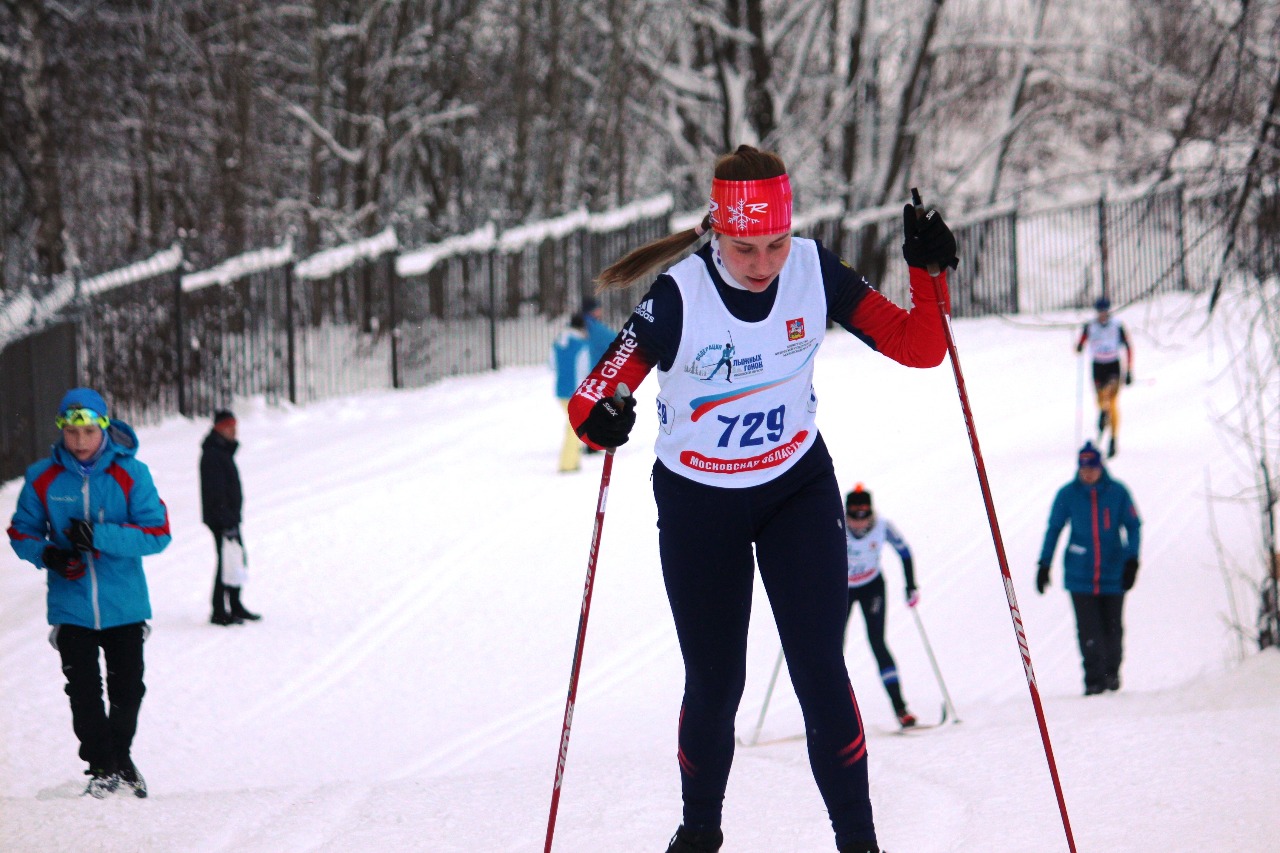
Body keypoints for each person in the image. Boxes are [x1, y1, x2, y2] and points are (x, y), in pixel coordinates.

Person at [567, 145, 958, 853]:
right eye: (744, 247)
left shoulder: (813, 269)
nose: (763, 262)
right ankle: (699, 830)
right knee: (718, 686)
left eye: (775, 241)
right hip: (699, 502)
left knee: (820, 668)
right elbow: (593, 394)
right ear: (718, 231)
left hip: (795, 489)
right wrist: (602, 416)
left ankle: (859, 842)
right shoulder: (679, 294)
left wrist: (929, 272)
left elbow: (921, 345)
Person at [7, 387, 171, 798]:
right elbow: (20, 533)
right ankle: (101, 766)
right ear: (61, 429)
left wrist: (99, 536)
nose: (80, 441)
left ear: (104, 427)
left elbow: (157, 534)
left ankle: (120, 756)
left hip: (125, 603)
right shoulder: (42, 477)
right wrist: (49, 555)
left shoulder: (133, 474)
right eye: (71, 431)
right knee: (82, 692)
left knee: (127, 688)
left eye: (88, 431)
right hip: (71, 604)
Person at [1036, 441, 1142, 695]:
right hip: (1079, 574)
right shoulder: (1068, 494)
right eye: (1084, 469)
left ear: (1100, 467)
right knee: (1089, 631)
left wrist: (1132, 560)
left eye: (1092, 468)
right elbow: (1054, 528)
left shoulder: (1117, 492)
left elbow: (1133, 525)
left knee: (1112, 630)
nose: (1088, 474)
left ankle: (1112, 677)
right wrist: (1044, 563)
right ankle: (1093, 681)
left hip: (1113, 572)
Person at [843, 485, 920, 728]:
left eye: (864, 514)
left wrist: (911, 585)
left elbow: (905, 552)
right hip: (841, 590)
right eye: (853, 515)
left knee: (878, 642)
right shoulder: (835, 524)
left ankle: (901, 708)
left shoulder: (883, 525)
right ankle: (831, 713)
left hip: (871, 587)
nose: (858, 521)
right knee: (832, 648)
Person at [200, 409, 260, 625]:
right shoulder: (213, 454)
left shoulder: (221, 450)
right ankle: (219, 610)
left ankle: (234, 605)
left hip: (228, 517)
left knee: (235, 559)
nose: (234, 431)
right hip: (221, 519)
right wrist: (226, 522)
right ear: (219, 428)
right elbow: (216, 493)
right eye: (230, 427)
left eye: (235, 427)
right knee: (228, 561)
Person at [1075, 296, 1133, 458]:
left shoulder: (1117, 326)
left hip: (1113, 365)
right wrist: (1079, 347)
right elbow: (1080, 344)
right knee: (1100, 399)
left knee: (1112, 401)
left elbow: (1128, 346)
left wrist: (1129, 370)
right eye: (1100, 312)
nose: (1102, 315)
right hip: (1098, 366)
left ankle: (1113, 439)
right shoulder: (1090, 327)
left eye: (1105, 311)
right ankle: (1102, 412)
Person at [551, 314, 592, 472]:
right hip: (575, 391)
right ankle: (567, 463)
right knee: (574, 426)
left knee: (573, 425)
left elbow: (552, 366)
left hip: (561, 390)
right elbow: (585, 369)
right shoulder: (581, 345)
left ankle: (573, 460)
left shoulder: (558, 343)